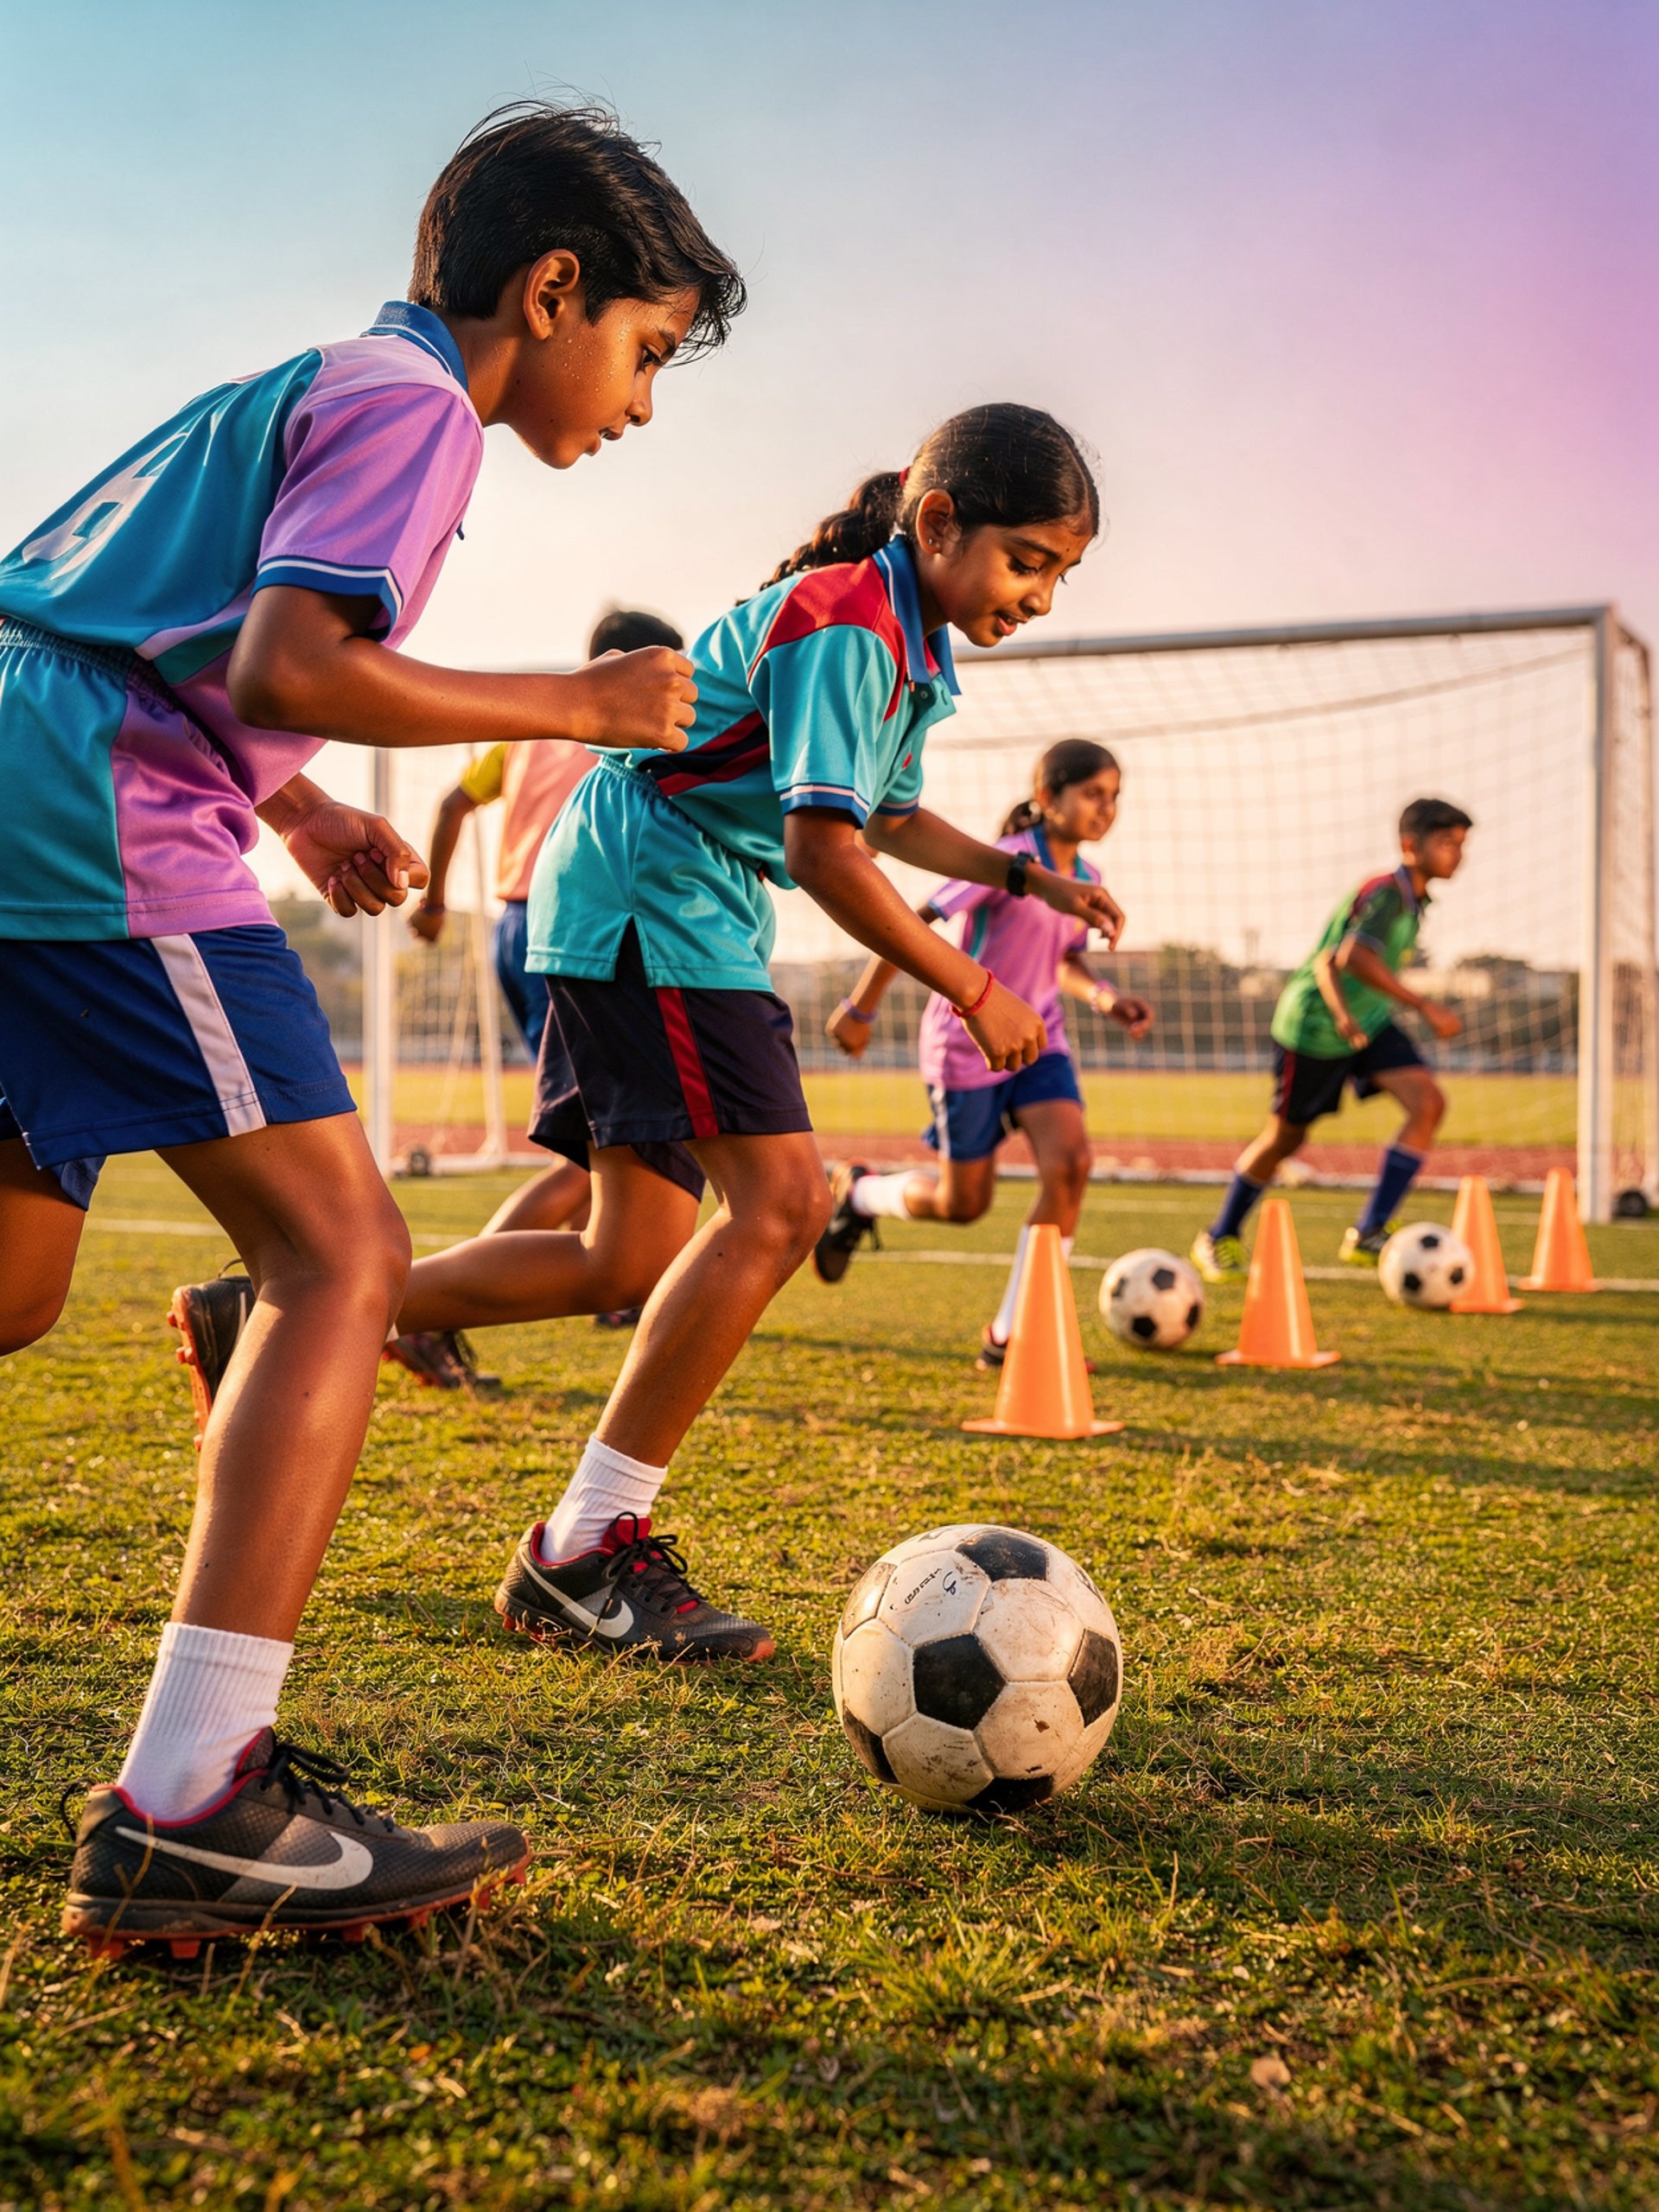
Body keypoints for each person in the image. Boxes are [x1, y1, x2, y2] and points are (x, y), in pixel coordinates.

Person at [0, 98, 743, 1953]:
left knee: (12, 1285)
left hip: (37, 753)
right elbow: (289, 659)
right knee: (342, 1256)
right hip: (89, 808)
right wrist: (574, 700)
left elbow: (157, 631)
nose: (644, 402)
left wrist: (302, 799)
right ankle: (193, 1803)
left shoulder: (322, 380)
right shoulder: (418, 407)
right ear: (553, 291)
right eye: (648, 349)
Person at [486, 403, 1123, 1665]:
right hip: (653, 897)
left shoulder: (907, 641)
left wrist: (1026, 878)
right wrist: (974, 986)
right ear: (937, 522)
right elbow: (824, 850)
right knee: (781, 1207)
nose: (1041, 597)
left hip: (669, 898)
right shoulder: (848, 621)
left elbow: (888, 818)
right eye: (1028, 561)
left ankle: (288, 1313)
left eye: (1062, 574)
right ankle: (581, 1553)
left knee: (627, 1258)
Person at [392, 605, 684, 1383]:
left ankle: (613, 1286)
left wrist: (436, 901)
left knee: (603, 1147)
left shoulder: (528, 729)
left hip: (515, 928)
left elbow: (454, 804)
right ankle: (428, 1312)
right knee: (597, 1151)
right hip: (576, 932)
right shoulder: (625, 727)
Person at [811, 739, 1153, 1368]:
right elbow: (914, 922)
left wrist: (1106, 999)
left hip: (1041, 1040)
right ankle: (861, 1194)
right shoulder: (1007, 861)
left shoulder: (1089, 880)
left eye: (1114, 797)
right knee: (962, 1204)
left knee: (1071, 1165)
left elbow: (1064, 959)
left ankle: (1014, 1333)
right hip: (966, 1045)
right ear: (1048, 796)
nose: (1106, 808)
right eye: (1093, 794)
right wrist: (861, 1007)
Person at [1190, 798, 1471, 1281]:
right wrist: (1425, 1006)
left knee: (1428, 1103)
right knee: (1286, 1138)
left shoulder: (1413, 900)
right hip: (1316, 1027)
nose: (1458, 854)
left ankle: (1370, 1230)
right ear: (1410, 845)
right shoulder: (1386, 894)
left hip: (1368, 1023)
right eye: (1447, 842)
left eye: (1461, 844)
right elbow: (1350, 957)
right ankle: (1219, 1236)